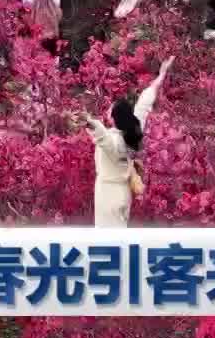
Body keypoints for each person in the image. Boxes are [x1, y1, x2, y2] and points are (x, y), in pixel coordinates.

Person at [75, 56, 175, 228]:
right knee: (121, 239)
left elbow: (103, 137)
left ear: (114, 118)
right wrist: (161, 75)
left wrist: (90, 122)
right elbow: (143, 104)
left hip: (108, 194)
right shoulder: (133, 131)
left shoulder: (115, 140)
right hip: (122, 192)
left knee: (109, 244)